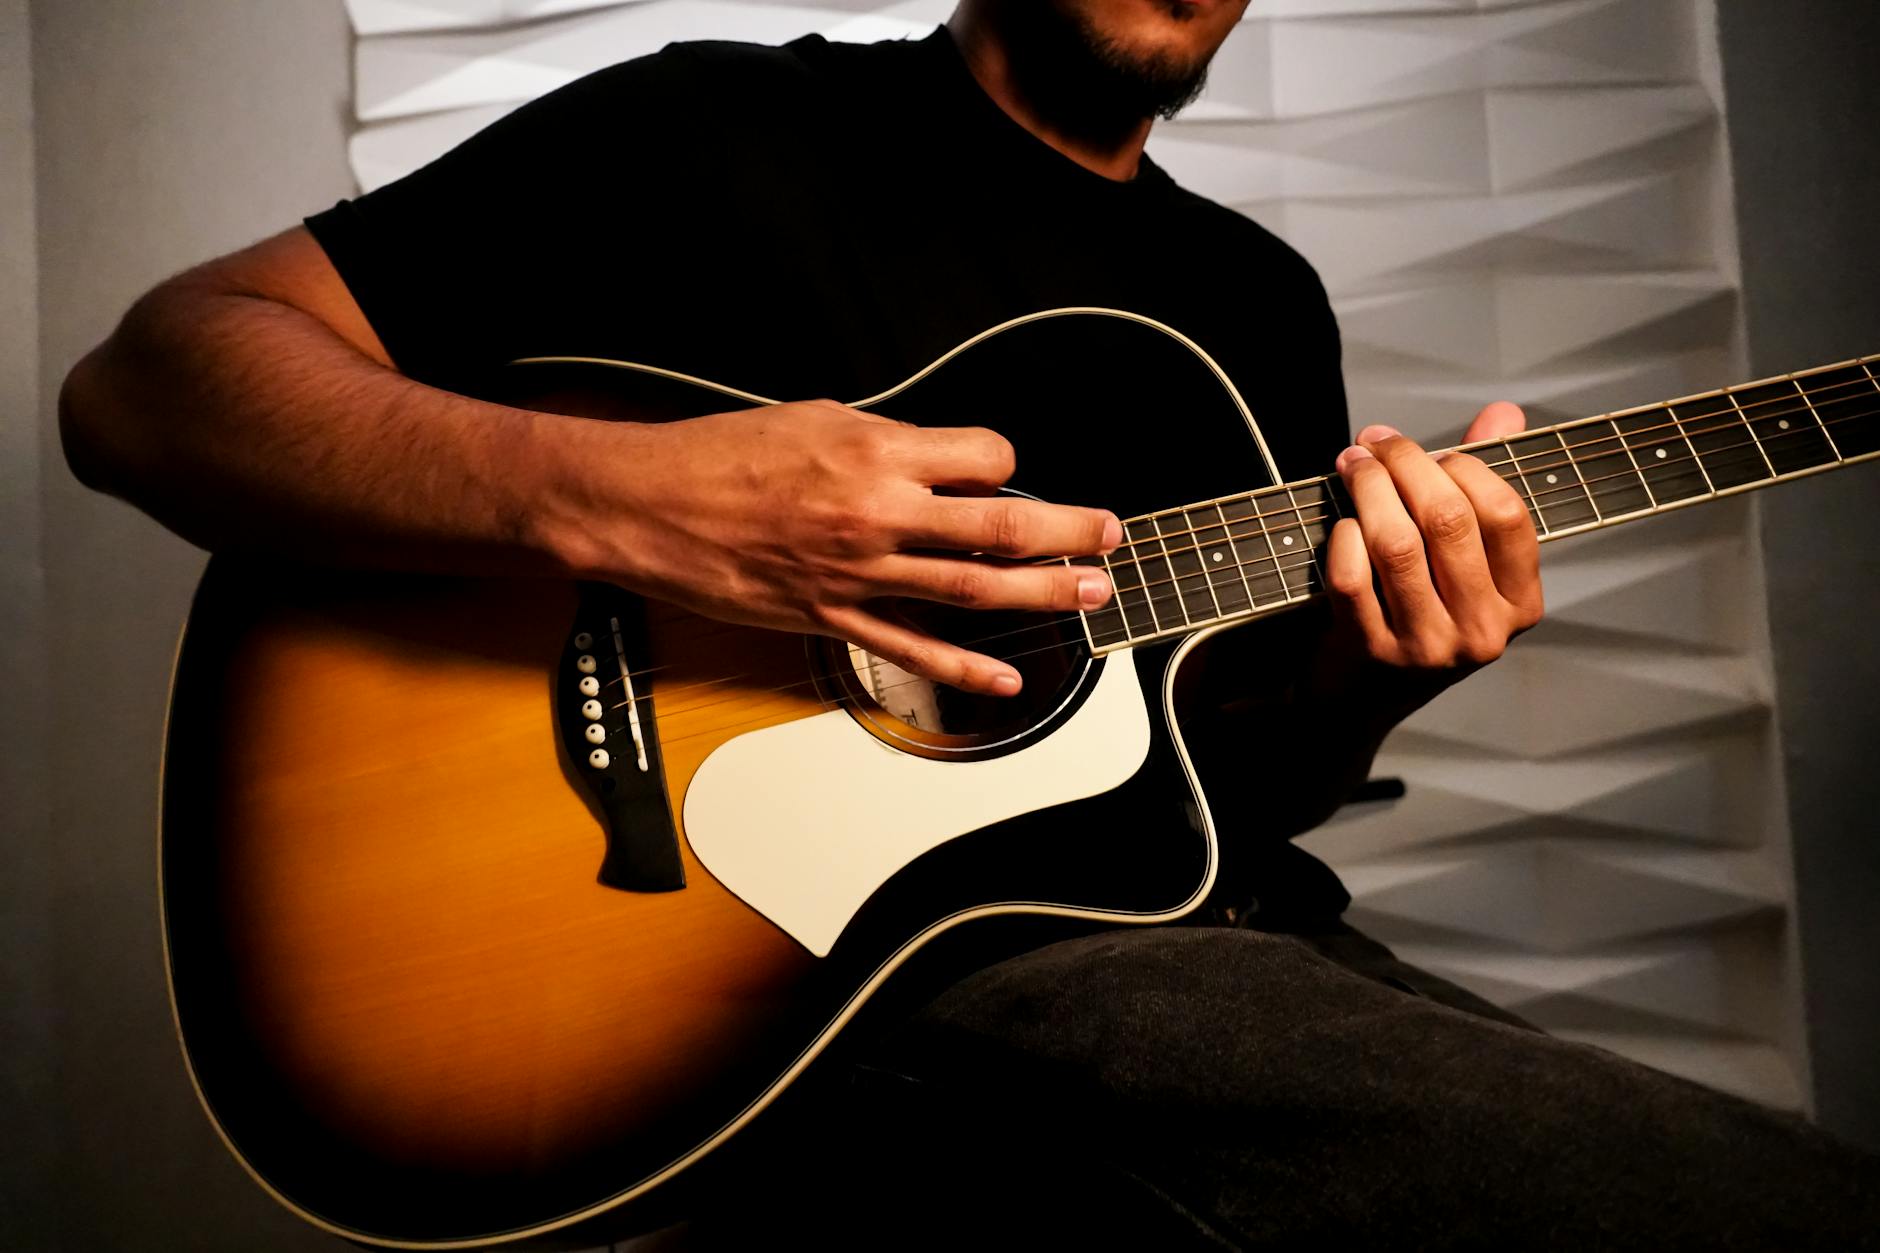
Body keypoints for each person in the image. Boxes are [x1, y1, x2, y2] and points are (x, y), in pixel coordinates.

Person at [59, 0, 1879, 1246]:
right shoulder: (714, 130)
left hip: (1170, 951)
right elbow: (149, 387)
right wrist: (634, 500)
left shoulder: (1252, 299)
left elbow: (1211, 805)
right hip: (809, 978)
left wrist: (1367, 673)